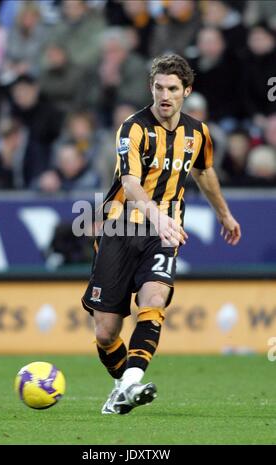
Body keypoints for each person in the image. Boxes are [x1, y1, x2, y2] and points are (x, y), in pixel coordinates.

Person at [81, 54, 241, 415]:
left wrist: (225, 214)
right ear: (150, 88)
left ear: (186, 91)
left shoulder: (197, 132)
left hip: (164, 231)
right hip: (120, 228)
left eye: (172, 88)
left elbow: (204, 172)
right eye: (158, 87)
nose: (164, 95)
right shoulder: (133, 128)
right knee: (106, 333)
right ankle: (122, 388)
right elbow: (130, 182)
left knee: (153, 301)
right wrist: (155, 214)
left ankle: (131, 384)